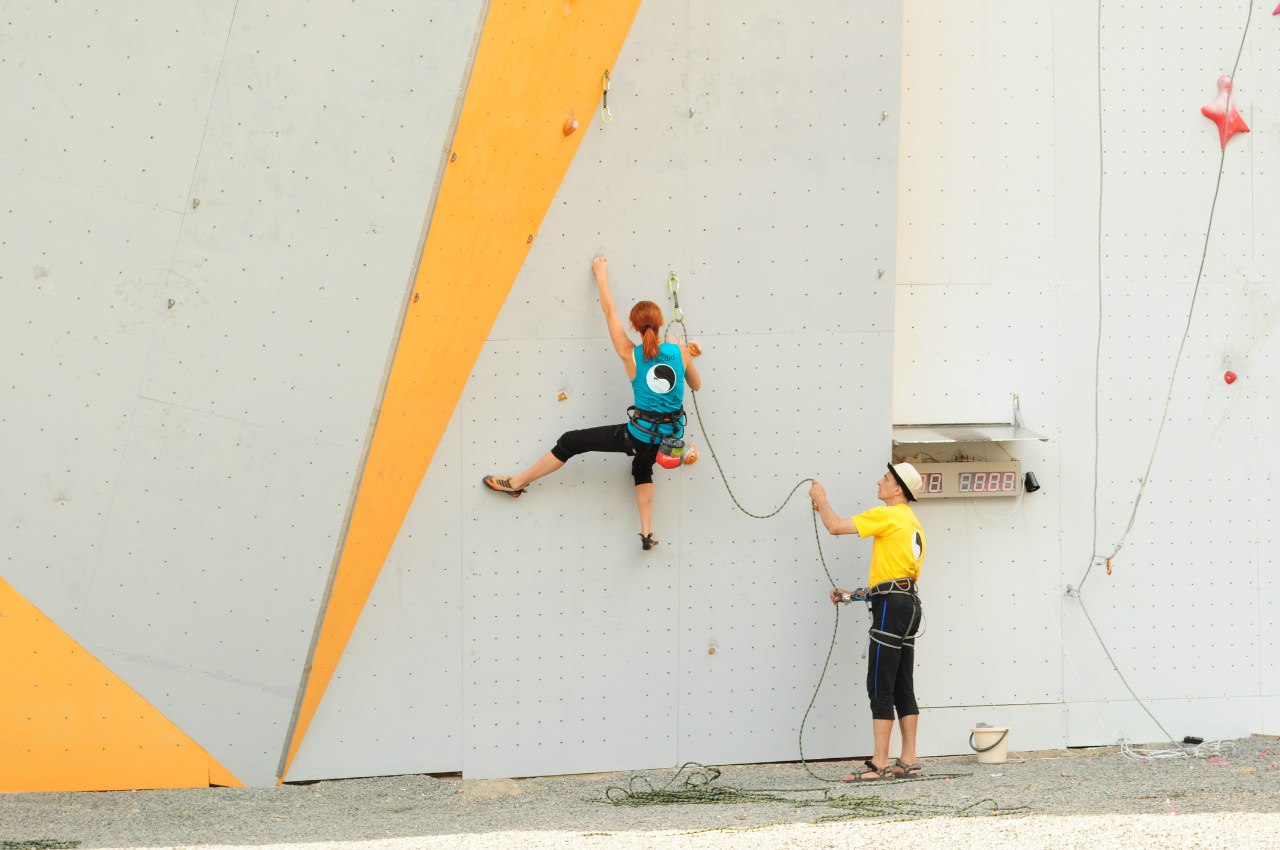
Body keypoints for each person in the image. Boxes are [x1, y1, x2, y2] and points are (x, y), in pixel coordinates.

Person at [483, 256, 702, 551]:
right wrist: (681, 353)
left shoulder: (629, 354)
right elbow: (696, 385)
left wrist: (601, 275)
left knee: (570, 441)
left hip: (638, 436)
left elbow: (609, 312)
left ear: (635, 327)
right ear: (662, 322)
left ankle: (519, 482)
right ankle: (647, 533)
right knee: (641, 468)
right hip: (669, 439)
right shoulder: (681, 353)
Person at [809, 462, 927, 781]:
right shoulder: (911, 522)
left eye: (886, 478)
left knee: (879, 684)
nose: (880, 481)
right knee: (902, 683)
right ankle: (908, 759)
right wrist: (855, 595)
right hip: (909, 605)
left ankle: (879, 763)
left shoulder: (887, 514)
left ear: (898, 488)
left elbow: (835, 526)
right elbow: (895, 577)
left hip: (892, 605)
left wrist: (821, 500)